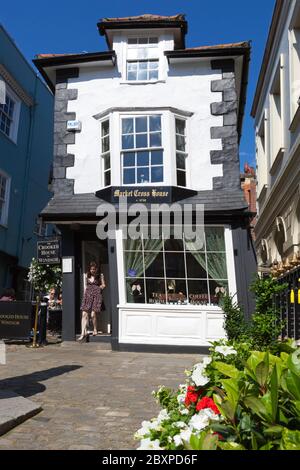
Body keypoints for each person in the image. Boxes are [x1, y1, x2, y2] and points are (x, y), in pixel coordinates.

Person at [78, 261, 105, 341]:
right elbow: (86, 286)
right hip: (88, 295)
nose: (93, 270)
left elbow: (104, 285)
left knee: (93, 314)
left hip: (96, 295)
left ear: (96, 269)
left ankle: (95, 329)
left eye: (94, 269)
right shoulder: (87, 275)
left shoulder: (100, 275)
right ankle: (83, 333)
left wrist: (100, 288)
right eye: (91, 269)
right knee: (84, 314)